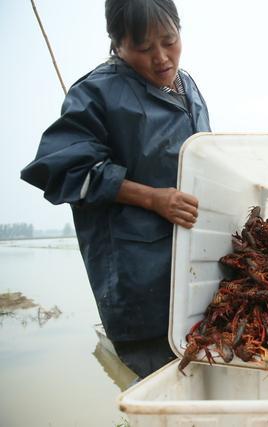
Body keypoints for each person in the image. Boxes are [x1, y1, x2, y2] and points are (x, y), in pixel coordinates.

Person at [21, 0, 211, 379]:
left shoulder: (186, 85)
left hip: (194, 275)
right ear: (117, 44)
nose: (161, 58)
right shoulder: (96, 93)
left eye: (169, 41)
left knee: (204, 379)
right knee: (162, 383)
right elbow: (62, 169)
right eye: (143, 49)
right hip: (138, 279)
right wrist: (153, 198)